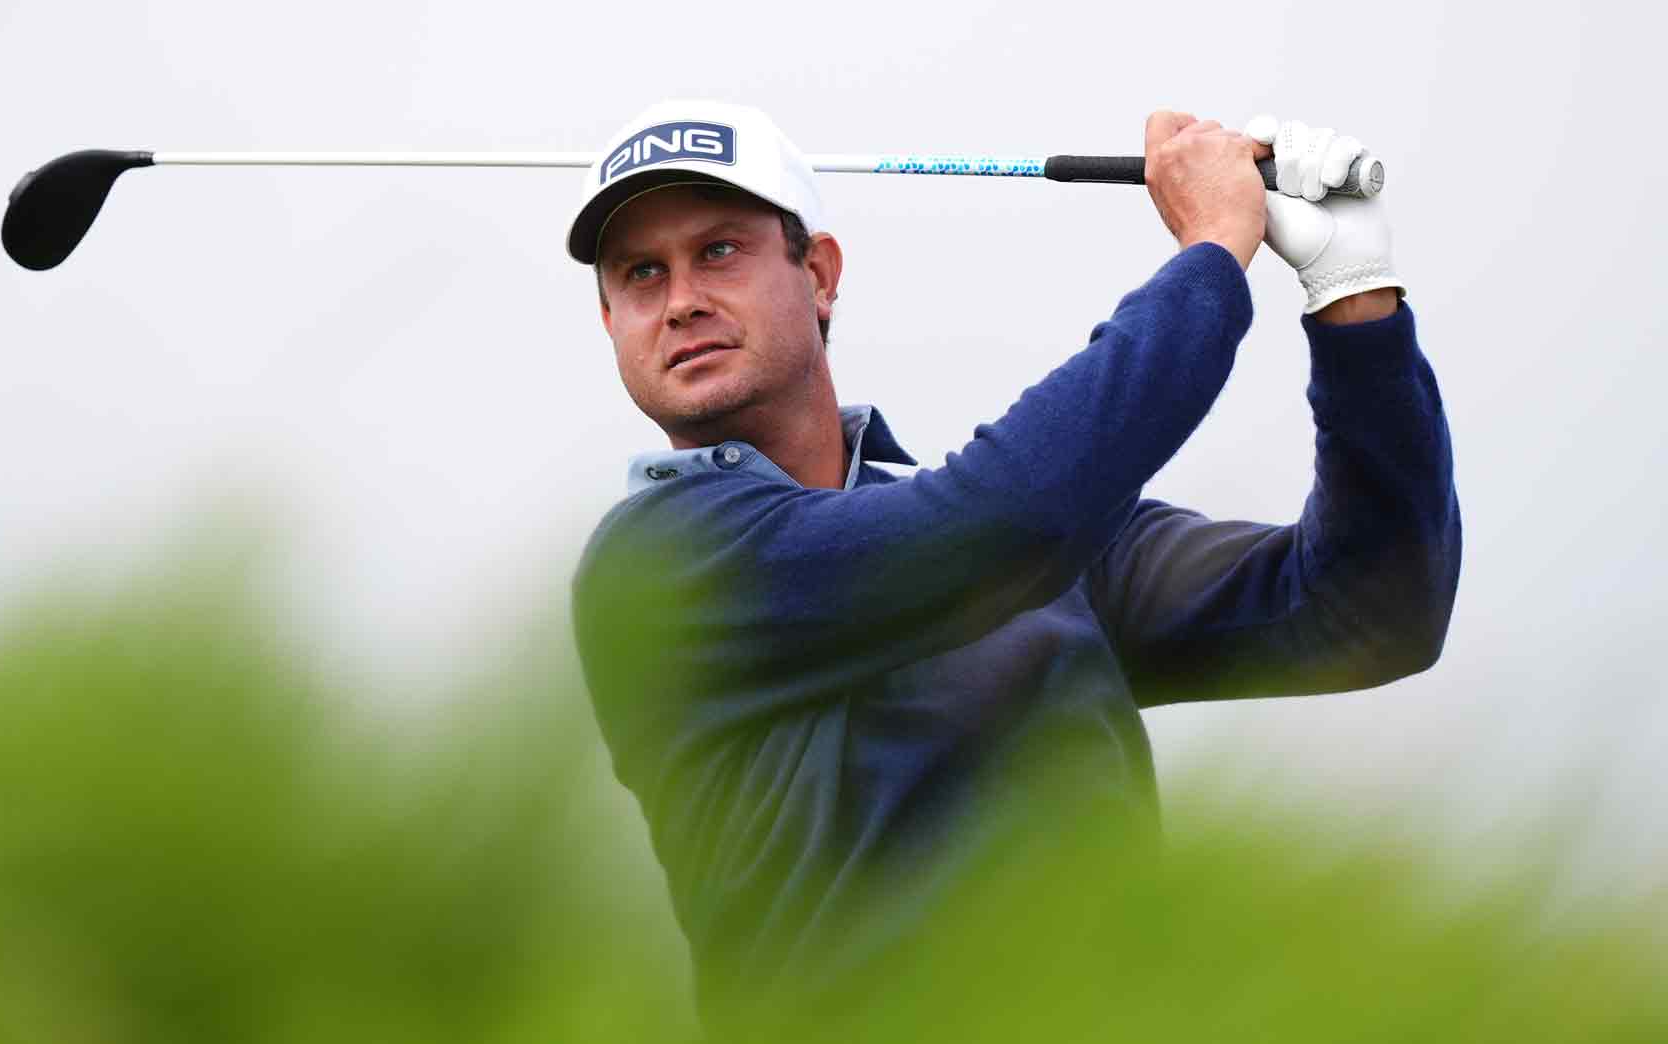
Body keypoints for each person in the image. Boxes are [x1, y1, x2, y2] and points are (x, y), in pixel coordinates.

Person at [568, 100, 1461, 1035]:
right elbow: (1004, 520)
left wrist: (1354, 298)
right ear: (611, 319)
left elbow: (1370, 611)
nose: (681, 300)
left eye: (718, 251)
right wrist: (1210, 255)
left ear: (820, 275)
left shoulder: (1042, 554)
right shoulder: (660, 565)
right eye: (641, 274)